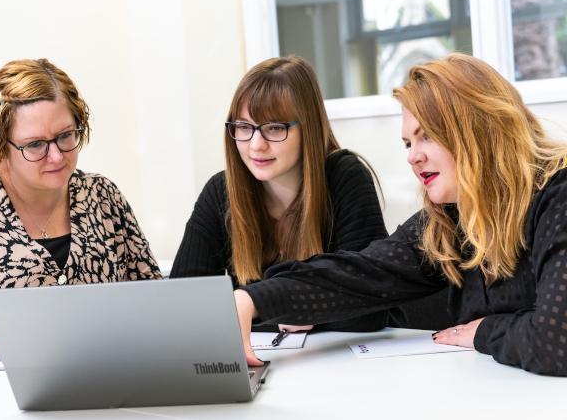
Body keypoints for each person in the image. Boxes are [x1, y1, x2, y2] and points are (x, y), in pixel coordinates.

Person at [233, 53, 567, 376]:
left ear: (479, 130)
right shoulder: (452, 219)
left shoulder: (559, 195)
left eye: (428, 137)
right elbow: (360, 274)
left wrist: (485, 331)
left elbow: (557, 342)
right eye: (408, 143)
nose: (412, 157)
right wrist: (253, 298)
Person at [0, 58, 162, 405]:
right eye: (35, 145)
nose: (56, 156)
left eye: (66, 136)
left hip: (104, 393)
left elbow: (154, 305)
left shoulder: (102, 196)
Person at [171, 55, 452, 332]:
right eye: (244, 128)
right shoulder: (221, 192)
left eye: (274, 128)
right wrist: (295, 313)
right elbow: (183, 308)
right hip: (263, 359)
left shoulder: (344, 176)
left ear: (308, 128)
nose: (256, 145)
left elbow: (369, 312)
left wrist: (270, 309)